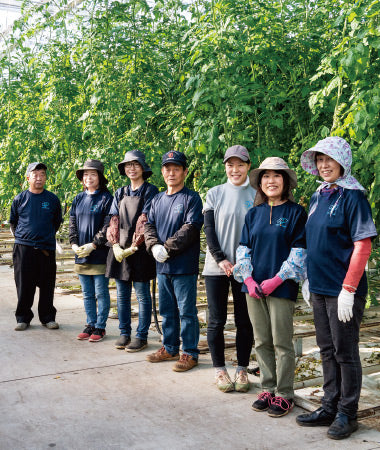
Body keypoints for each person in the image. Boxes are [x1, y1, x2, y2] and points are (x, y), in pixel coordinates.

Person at [296, 136, 377, 439]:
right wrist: (306, 278)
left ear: (342, 161)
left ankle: (348, 413)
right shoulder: (318, 196)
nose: (324, 165)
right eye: (319, 160)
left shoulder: (353, 197)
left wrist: (349, 288)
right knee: (327, 349)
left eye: (329, 159)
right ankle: (329, 405)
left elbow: (362, 245)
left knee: (345, 351)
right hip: (319, 287)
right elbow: (312, 242)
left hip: (343, 291)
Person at [234, 157, 307, 417]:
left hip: (281, 287)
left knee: (282, 343)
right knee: (262, 340)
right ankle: (268, 388)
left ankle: (285, 393)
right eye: (266, 176)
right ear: (260, 182)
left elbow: (299, 251)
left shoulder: (296, 212)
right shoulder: (254, 214)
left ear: (285, 181)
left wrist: (277, 279)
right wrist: (250, 280)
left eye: (277, 176)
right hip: (253, 288)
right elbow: (243, 249)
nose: (271, 181)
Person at [203, 145, 255, 392]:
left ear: (248, 166)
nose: (235, 170)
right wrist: (220, 258)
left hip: (246, 269)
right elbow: (209, 230)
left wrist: (244, 263)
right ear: (225, 167)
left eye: (240, 165)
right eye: (230, 165)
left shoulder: (257, 195)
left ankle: (242, 369)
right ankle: (220, 370)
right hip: (217, 268)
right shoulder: (214, 193)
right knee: (216, 321)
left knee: (245, 321)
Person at [145, 150, 203, 372]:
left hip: (183, 266)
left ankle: (189, 352)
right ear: (162, 172)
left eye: (176, 169)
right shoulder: (157, 199)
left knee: (186, 311)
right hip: (162, 267)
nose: (171, 173)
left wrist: (166, 248)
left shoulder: (191, 198)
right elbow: (148, 225)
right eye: (167, 168)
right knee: (167, 310)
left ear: (184, 172)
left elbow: (190, 228)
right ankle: (169, 347)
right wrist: (153, 245)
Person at [106, 150, 158, 352]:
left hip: (140, 249)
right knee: (122, 294)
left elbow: (145, 220)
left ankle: (141, 335)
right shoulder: (120, 192)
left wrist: (135, 245)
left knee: (143, 295)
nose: (131, 168)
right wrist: (115, 244)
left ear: (143, 168)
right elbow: (113, 218)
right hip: (120, 248)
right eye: (128, 165)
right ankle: (124, 332)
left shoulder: (150, 191)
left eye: (135, 164)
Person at [10, 162, 62, 331]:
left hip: (46, 248)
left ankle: (47, 317)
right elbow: (13, 222)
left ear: (46, 178)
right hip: (24, 248)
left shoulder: (52, 199)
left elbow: (56, 222)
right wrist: (23, 237)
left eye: (42, 175)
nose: (39, 178)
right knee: (24, 284)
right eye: (35, 175)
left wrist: (44, 235)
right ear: (28, 178)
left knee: (47, 285)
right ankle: (23, 318)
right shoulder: (20, 199)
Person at [69, 159, 113, 342]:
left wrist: (94, 244)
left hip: (99, 254)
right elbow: (72, 223)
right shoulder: (79, 198)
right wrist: (73, 244)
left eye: (93, 174)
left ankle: (100, 327)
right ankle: (90, 323)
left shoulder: (106, 198)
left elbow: (108, 225)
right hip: (81, 254)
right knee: (87, 293)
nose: (88, 177)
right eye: (85, 174)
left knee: (101, 292)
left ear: (100, 178)